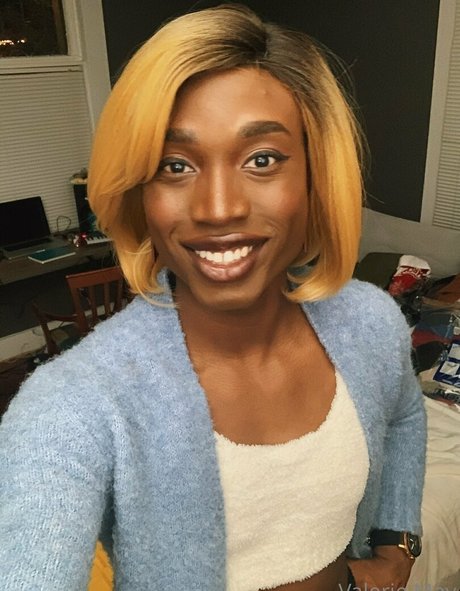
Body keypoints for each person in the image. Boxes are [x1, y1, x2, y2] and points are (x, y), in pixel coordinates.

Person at [0, 4, 426, 591]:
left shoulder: (372, 321)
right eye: (174, 165)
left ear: (316, 175)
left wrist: (397, 543)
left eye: (262, 159)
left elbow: (405, 415)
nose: (218, 208)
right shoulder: (72, 406)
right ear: (140, 194)